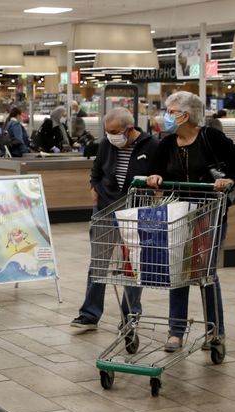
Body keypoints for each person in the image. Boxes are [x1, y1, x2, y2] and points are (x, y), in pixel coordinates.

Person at [145, 91, 235, 352]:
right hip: (178, 214)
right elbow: (154, 169)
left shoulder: (210, 137)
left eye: (170, 111)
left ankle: (215, 331)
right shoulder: (167, 143)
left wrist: (229, 179)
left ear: (185, 115)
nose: (165, 116)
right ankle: (175, 332)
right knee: (178, 273)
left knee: (205, 274)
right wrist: (154, 177)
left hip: (210, 216)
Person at [71, 108, 159, 330]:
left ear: (130, 129)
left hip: (136, 212)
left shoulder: (152, 146)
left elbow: (159, 176)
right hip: (105, 209)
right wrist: (94, 187)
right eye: (107, 131)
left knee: (134, 266)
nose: (110, 136)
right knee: (98, 264)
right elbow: (96, 170)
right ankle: (89, 314)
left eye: (114, 131)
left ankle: (130, 314)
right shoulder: (106, 144)